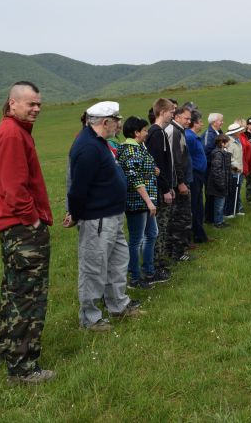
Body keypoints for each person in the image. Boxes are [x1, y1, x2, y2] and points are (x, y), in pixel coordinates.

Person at [0, 81, 55, 384]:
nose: (36, 109)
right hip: (23, 229)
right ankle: (23, 369)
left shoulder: (13, 130)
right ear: (12, 103)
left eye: (39, 104)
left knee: (13, 292)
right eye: (31, 103)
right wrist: (33, 221)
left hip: (14, 228)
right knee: (28, 298)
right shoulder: (13, 134)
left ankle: (6, 349)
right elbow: (14, 189)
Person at [65, 101, 143, 331]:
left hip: (112, 215)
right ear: (105, 122)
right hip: (97, 218)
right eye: (117, 121)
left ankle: (118, 305)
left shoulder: (99, 142)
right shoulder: (87, 147)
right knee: (94, 268)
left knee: (118, 263)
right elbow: (77, 189)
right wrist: (75, 214)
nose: (119, 125)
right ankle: (90, 318)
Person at [117, 116, 167, 289]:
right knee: (136, 240)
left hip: (146, 201)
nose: (147, 133)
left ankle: (149, 271)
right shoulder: (130, 150)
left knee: (152, 234)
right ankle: (135, 277)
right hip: (137, 202)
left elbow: (141, 169)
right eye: (145, 130)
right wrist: (148, 202)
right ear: (136, 132)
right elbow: (134, 178)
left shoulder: (138, 148)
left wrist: (153, 170)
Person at [144, 98, 176, 271]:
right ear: (162, 112)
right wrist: (165, 189)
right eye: (171, 112)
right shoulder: (156, 133)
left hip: (162, 186)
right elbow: (157, 166)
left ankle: (159, 259)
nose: (172, 115)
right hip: (158, 189)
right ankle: (155, 263)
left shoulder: (159, 132)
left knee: (162, 226)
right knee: (159, 227)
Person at [165, 104, 194, 262]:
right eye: (186, 118)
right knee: (181, 217)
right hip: (178, 183)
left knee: (178, 217)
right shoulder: (175, 132)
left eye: (190, 119)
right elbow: (176, 160)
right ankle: (178, 252)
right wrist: (181, 182)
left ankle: (172, 250)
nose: (189, 121)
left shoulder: (178, 130)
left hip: (179, 181)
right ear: (177, 117)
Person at [185, 110, 210, 244]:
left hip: (199, 174)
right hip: (194, 175)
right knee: (194, 205)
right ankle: (196, 234)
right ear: (194, 123)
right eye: (200, 122)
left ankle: (200, 233)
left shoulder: (194, 136)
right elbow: (186, 157)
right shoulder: (189, 137)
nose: (202, 124)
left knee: (199, 204)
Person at [202, 112, 224, 223]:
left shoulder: (219, 132)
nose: (222, 122)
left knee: (217, 192)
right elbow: (206, 153)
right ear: (214, 122)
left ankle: (216, 216)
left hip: (218, 168)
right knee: (210, 193)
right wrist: (216, 162)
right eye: (221, 120)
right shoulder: (209, 135)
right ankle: (209, 218)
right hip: (210, 169)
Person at [207, 135, 232, 228]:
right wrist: (221, 184)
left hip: (221, 182)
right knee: (219, 204)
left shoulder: (222, 152)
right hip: (218, 184)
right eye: (227, 142)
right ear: (222, 143)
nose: (229, 143)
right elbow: (216, 170)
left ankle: (220, 220)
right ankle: (218, 222)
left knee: (221, 203)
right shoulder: (218, 154)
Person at [224, 122, 245, 218]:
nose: (240, 132)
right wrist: (236, 166)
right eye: (239, 131)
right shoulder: (229, 142)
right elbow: (229, 157)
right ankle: (229, 212)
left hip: (239, 170)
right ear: (234, 133)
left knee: (237, 191)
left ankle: (236, 210)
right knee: (232, 192)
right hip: (233, 171)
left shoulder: (237, 140)